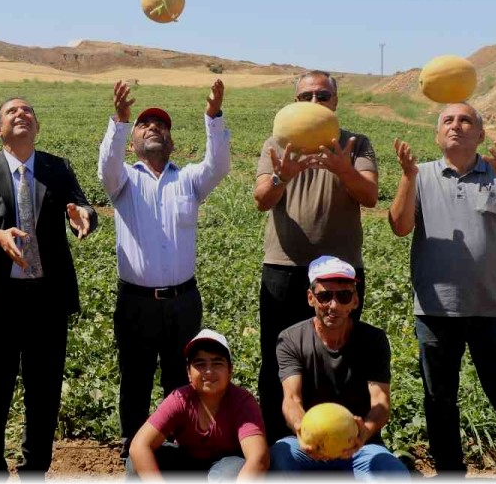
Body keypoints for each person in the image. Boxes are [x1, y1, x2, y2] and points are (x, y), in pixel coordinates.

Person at [387, 103, 496, 477]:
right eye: (448, 121)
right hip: (437, 311)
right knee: (440, 401)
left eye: (466, 120)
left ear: (481, 135)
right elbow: (400, 226)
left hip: (494, 309)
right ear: (438, 135)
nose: (456, 126)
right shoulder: (419, 175)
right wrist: (406, 176)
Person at [0, 97, 98, 477]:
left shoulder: (57, 168)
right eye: (11, 112)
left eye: (28, 111)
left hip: (46, 301)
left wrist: (83, 216)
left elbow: (81, 206)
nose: (21, 115)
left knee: (44, 395)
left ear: (37, 127)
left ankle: (35, 469)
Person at [97, 79, 231, 457]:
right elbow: (106, 165)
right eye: (145, 125)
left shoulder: (188, 179)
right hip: (136, 301)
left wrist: (214, 116)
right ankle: (133, 446)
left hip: (183, 299)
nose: (154, 127)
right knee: (135, 377)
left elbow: (218, 165)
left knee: (181, 375)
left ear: (171, 141)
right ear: (135, 140)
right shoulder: (122, 180)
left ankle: (178, 442)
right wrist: (119, 122)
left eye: (161, 125)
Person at [252, 70, 379, 442]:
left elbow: (370, 196)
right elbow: (262, 200)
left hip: (339, 273)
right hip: (284, 267)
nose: (314, 103)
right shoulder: (275, 143)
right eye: (306, 96)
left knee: (341, 355)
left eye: (322, 96)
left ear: (335, 102)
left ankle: (339, 438)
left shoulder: (355, 144)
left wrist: (343, 169)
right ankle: (279, 442)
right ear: (295, 102)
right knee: (278, 358)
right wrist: (282, 178)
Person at [270, 256, 409, 478]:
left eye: (343, 296)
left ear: (355, 301)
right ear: (310, 298)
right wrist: (302, 430)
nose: (333, 306)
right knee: (281, 457)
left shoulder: (373, 339)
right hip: (307, 447)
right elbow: (291, 399)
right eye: (325, 296)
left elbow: (381, 403)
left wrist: (363, 433)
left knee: (393, 474)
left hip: (360, 446)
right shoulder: (290, 339)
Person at [128, 329, 268, 481]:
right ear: (188, 372)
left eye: (217, 363)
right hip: (185, 463)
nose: (208, 371)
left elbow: (259, 458)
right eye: (200, 364)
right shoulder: (180, 399)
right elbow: (139, 446)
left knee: (231, 473)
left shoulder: (242, 402)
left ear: (230, 370)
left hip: (226, 465)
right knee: (136, 462)